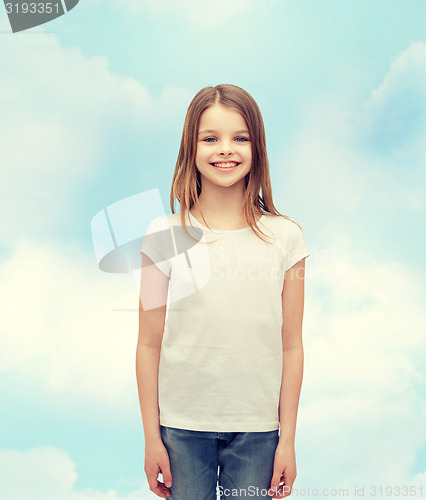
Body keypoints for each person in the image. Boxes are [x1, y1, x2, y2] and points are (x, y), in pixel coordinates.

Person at [136, 84, 310, 500]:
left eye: (240, 138)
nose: (225, 150)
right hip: (180, 428)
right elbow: (148, 343)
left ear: (257, 146)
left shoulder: (285, 237)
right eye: (210, 138)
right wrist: (151, 438)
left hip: (258, 430)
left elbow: (291, 346)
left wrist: (287, 440)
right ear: (190, 149)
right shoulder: (164, 234)